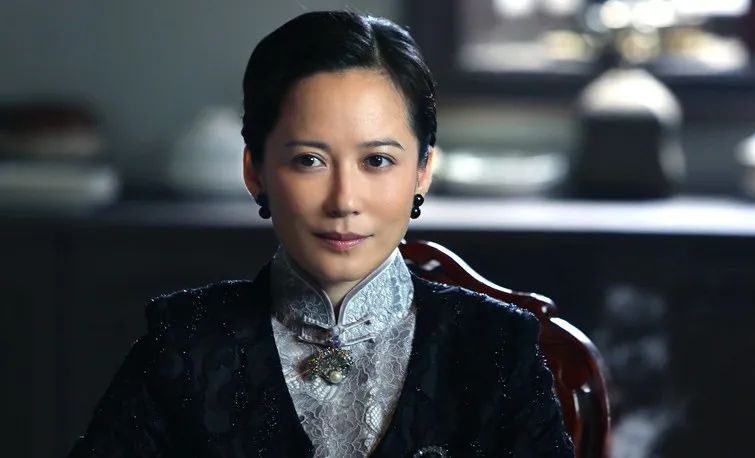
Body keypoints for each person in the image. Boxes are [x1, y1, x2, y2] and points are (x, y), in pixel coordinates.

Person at [68, 11, 574, 457]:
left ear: (422, 171)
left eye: (377, 161)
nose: (343, 200)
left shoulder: (497, 346)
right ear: (255, 172)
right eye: (309, 160)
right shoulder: (182, 343)